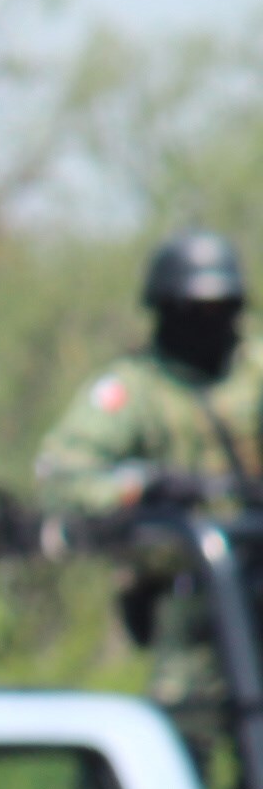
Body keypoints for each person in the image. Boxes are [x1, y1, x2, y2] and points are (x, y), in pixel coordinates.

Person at [36, 232, 263, 717]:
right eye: (194, 310)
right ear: (166, 311)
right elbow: (62, 474)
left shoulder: (255, 372)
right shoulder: (135, 387)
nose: (210, 324)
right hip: (189, 594)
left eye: (220, 309)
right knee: (181, 730)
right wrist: (142, 489)